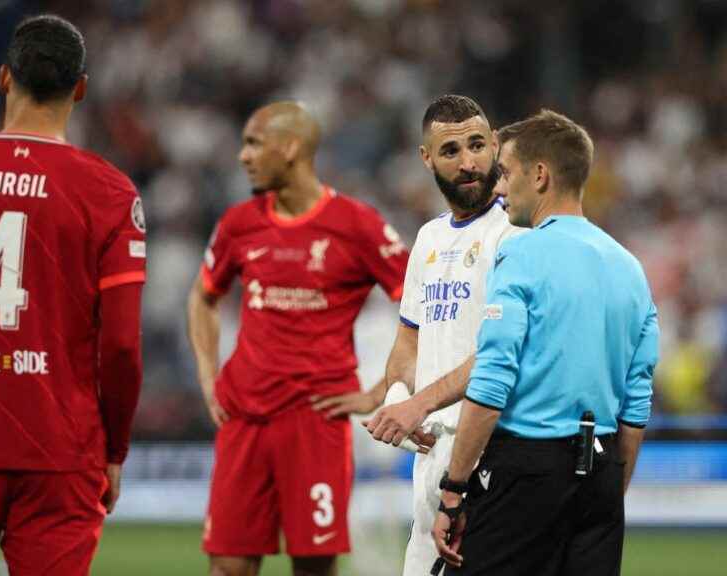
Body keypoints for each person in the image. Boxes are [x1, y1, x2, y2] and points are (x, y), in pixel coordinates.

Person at [432, 110, 659, 576]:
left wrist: (453, 490)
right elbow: (635, 406)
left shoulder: (522, 251)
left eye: (507, 173)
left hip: (527, 469)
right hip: (601, 471)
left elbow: (492, 384)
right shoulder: (630, 269)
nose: (498, 188)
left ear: (540, 175)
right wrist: (607, 496)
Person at [187, 101, 409, 576]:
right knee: (227, 567)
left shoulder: (356, 225)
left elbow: (420, 305)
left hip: (315, 421)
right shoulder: (239, 223)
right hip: (243, 417)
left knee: (312, 567)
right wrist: (208, 376)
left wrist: (380, 389)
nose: (243, 156)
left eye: (253, 143)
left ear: (289, 148)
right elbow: (202, 297)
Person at [0, 15, 145, 575]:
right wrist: (113, 450)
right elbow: (119, 346)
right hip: (61, 444)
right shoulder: (110, 193)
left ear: (2, 78)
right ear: (81, 88)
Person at [359, 94, 523, 576]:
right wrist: (398, 398)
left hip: (492, 443)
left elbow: (501, 353)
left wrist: (420, 403)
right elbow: (409, 340)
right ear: (426, 158)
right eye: (451, 151)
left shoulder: (515, 232)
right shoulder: (429, 238)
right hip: (431, 453)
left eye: (477, 145)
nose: (468, 161)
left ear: (495, 145)